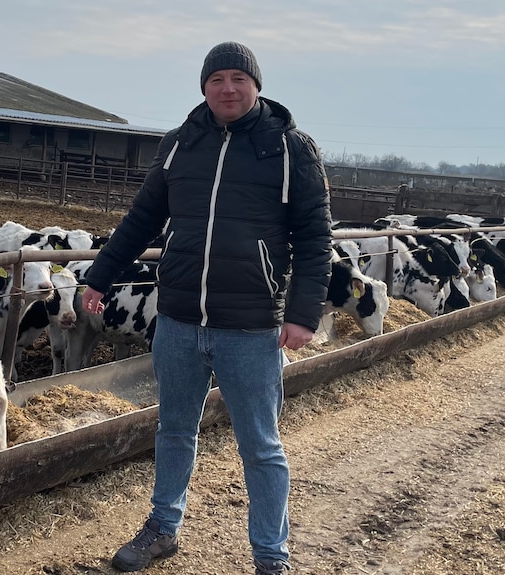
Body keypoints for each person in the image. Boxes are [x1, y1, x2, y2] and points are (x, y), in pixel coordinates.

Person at [80, 41, 333, 574]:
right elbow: (143, 218)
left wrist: (303, 313)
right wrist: (100, 276)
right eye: (216, 79)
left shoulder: (290, 149)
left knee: (261, 446)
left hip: (250, 326)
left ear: (256, 86)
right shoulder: (180, 143)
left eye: (238, 78)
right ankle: (163, 528)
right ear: (204, 87)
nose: (227, 88)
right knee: (174, 429)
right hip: (177, 319)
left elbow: (314, 237)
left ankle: (270, 557)